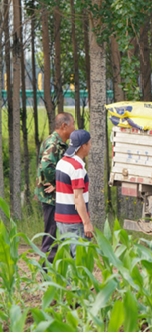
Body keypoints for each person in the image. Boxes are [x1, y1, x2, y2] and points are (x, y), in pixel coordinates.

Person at [35, 112, 76, 262]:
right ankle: (46, 272)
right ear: (64, 126)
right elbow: (47, 167)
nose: (74, 128)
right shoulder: (53, 143)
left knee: (56, 235)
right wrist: (58, 183)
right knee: (51, 235)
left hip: (56, 196)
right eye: (73, 124)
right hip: (51, 198)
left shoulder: (59, 143)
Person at [54, 129, 94, 257]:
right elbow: (78, 198)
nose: (90, 146)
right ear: (83, 146)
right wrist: (87, 223)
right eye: (89, 143)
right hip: (74, 222)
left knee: (68, 260)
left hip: (61, 220)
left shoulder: (62, 162)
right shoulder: (77, 168)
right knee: (80, 261)